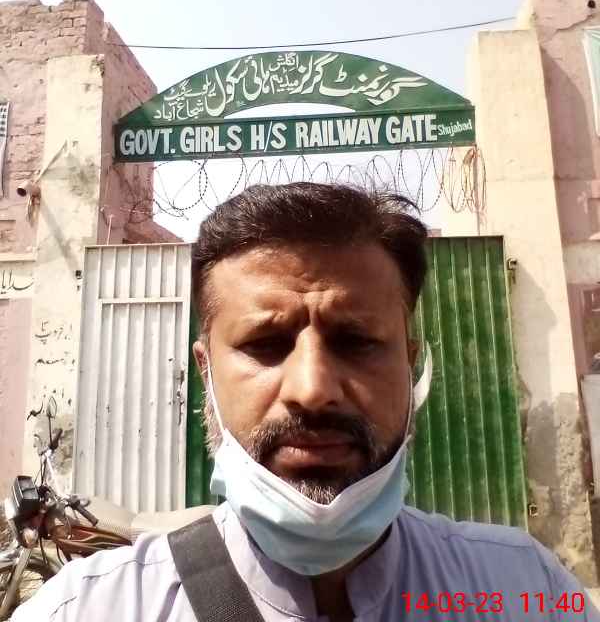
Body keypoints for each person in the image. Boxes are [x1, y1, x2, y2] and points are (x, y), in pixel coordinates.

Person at [13, 182, 600, 621]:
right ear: (206, 371)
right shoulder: (86, 609)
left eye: (356, 341)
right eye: (265, 345)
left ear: (410, 363)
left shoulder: (525, 592)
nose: (313, 389)